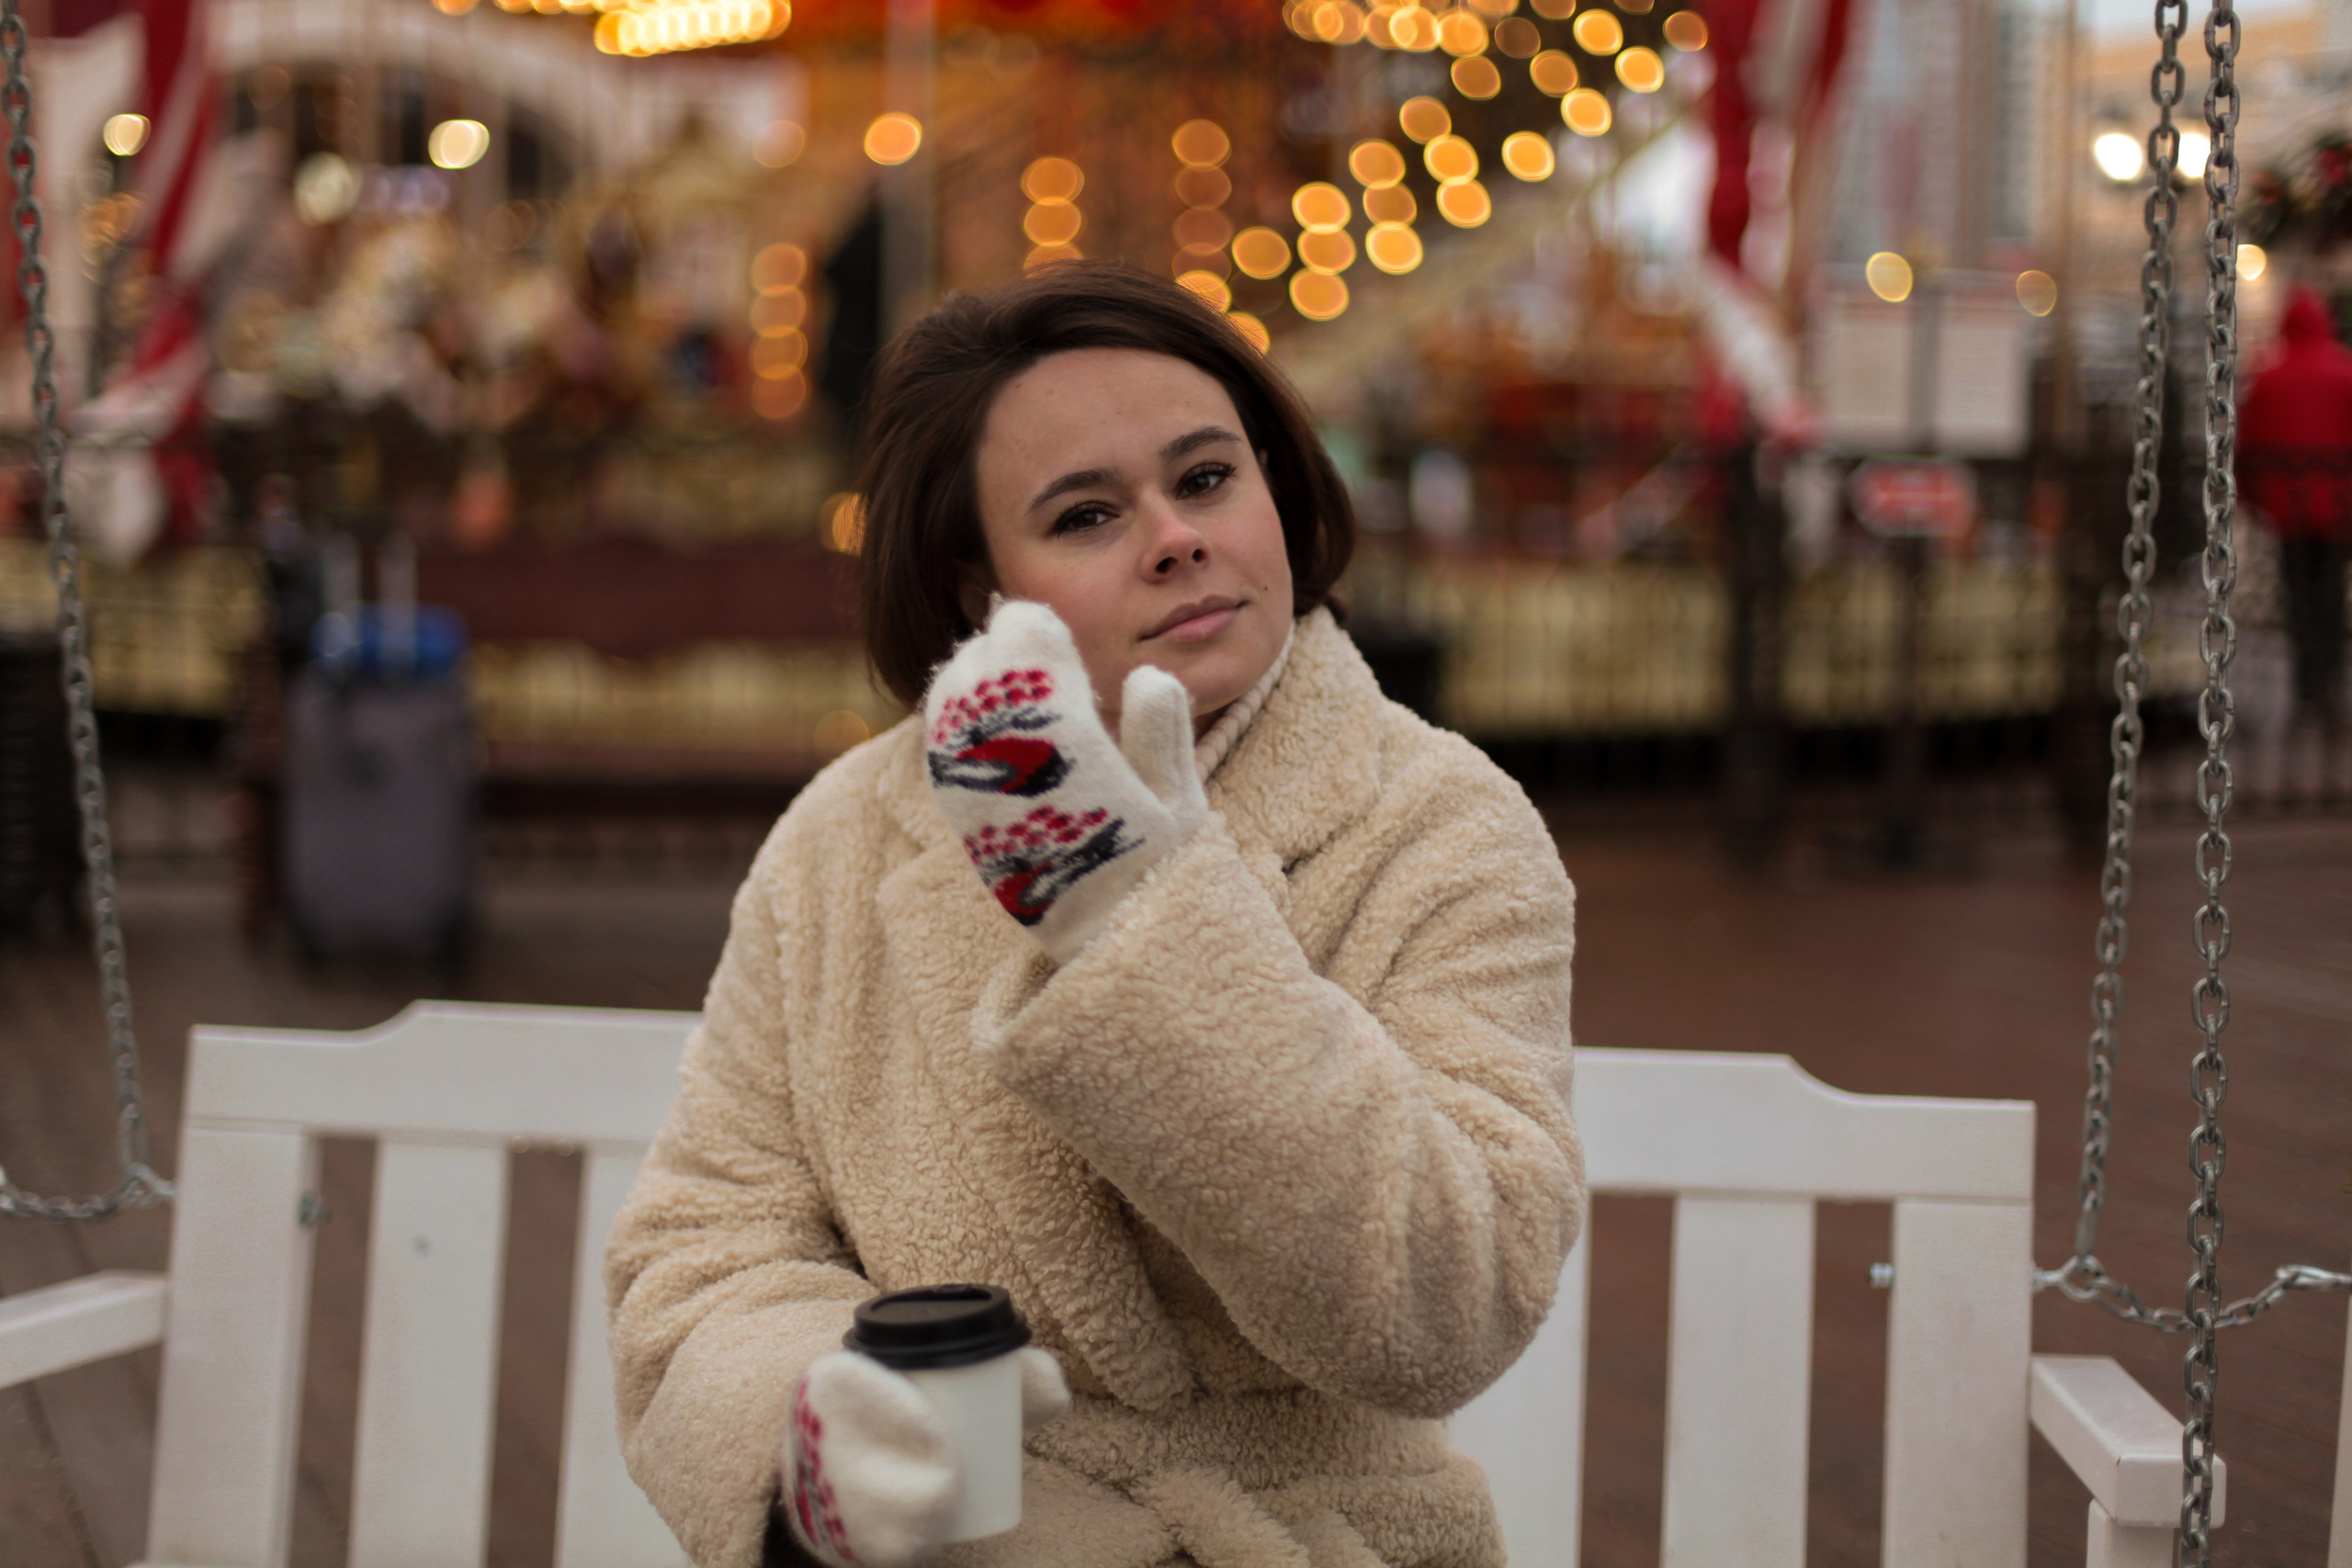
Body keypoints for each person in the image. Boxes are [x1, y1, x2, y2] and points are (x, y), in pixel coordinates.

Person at [605, 262, 1584, 1568]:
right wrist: (820, 1425)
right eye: (1084, 513)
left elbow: (1448, 1302)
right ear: (977, 588)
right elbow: (707, 1242)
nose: (1176, 536)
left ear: (1276, 489)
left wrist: (1141, 915)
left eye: (1204, 478)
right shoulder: (844, 835)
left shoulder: (1443, 822)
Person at [2239, 284, 2352, 722]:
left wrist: (2251, 497)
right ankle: (2331, 680)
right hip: (2340, 509)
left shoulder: (2267, 376)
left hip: (2289, 511)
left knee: (2300, 596)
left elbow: (2249, 443)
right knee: (2331, 595)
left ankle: (2309, 686)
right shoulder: (2345, 373)